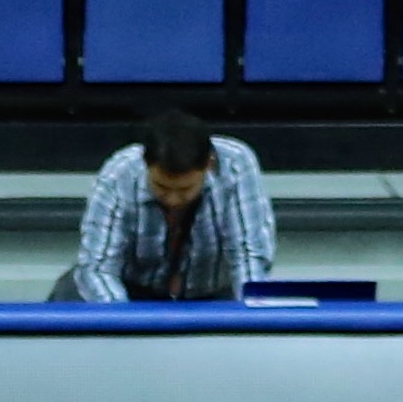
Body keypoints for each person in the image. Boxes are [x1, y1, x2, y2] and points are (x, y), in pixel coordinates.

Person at [58, 105, 273, 305]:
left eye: (185, 190)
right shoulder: (119, 174)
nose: (172, 199)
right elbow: (98, 268)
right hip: (130, 293)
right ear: (145, 163)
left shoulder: (236, 164)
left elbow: (248, 257)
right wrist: (126, 326)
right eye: (161, 187)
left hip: (213, 295)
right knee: (73, 290)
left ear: (209, 164)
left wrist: (249, 316)